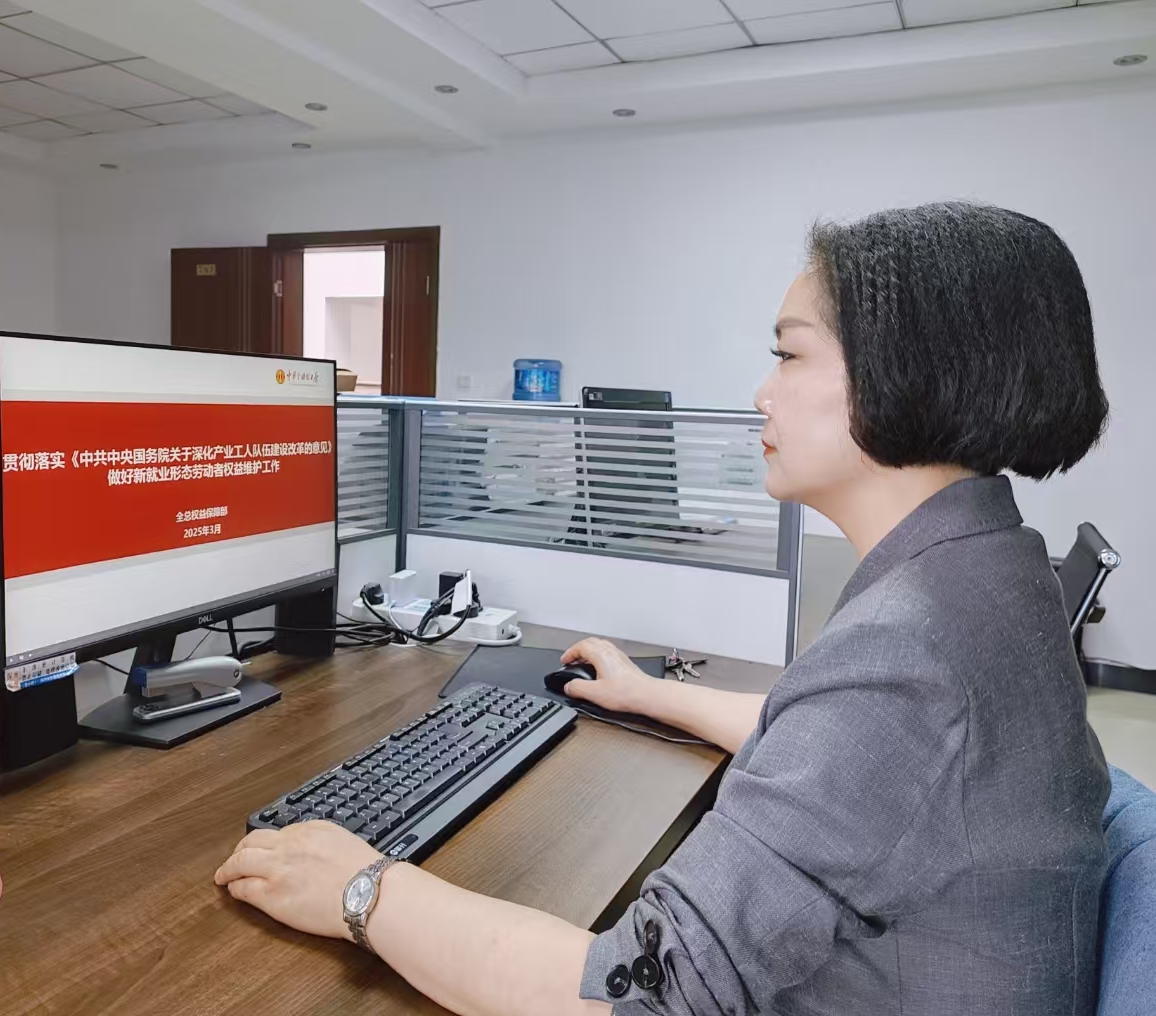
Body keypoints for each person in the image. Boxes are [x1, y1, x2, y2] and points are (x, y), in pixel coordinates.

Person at [215, 202, 1111, 1015]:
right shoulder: (989, 572)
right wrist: (649, 694)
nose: (762, 393)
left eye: (789, 355)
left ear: (901, 374)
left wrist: (365, 890)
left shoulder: (907, 649)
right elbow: (844, 752)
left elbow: (640, 992)